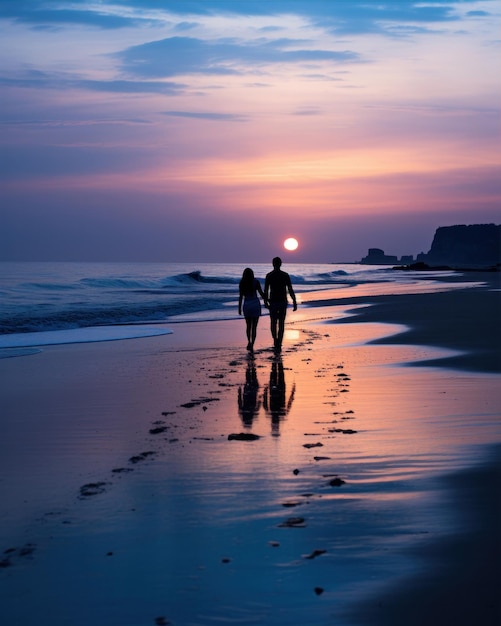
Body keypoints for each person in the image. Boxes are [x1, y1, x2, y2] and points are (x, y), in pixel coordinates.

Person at [264, 257, 297, 352]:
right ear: (280, 264)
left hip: (273, 301)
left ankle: (275, 340)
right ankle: (279, 342)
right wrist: (294, 301)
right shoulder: (285, 275)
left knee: (273, 322)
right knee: (281, 323)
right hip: (282, 301)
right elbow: (290, 289)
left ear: (273, 264)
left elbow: (266, 290)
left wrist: (265, 301)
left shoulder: (269, 275)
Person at [238, 267, 266, 351]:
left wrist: (239, 308)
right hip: (255, 304)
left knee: (248, 326)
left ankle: (249, 341)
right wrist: (267, 300)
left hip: (247, 304)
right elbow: (261, 294)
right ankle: (252, 343)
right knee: (254, 327)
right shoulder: (256, 282)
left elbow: (240, 297)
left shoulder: (242, 282)